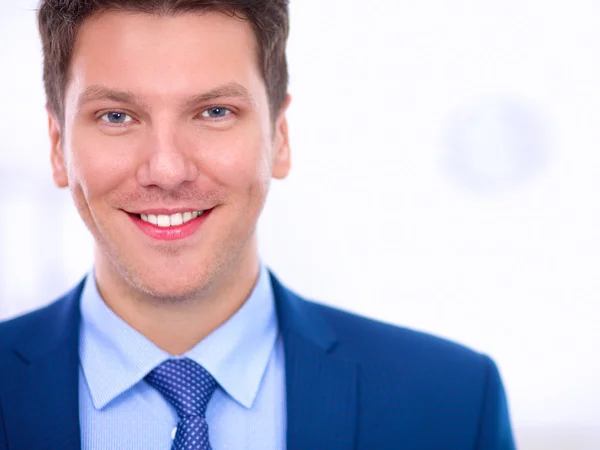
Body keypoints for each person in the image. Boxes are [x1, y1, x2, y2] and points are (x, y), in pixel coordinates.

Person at [0, 1, 515, 449]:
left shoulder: (453, 403)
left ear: (280, 137)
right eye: (116, 116)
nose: (167, 169)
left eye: (214, 111)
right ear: (57, 146)